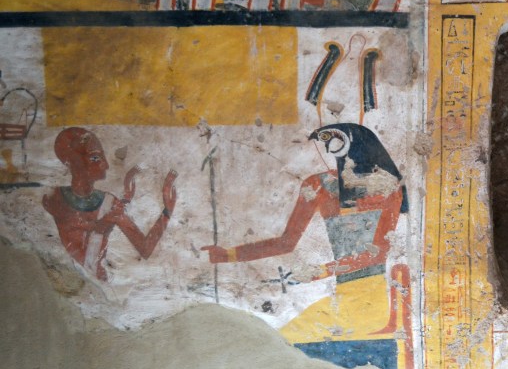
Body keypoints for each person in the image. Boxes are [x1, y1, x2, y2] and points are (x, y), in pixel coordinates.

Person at [203, 123, 406, 284]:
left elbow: (376, 254)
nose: (329, 150)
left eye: (336, 143)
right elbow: (286, 242)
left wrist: (319, 272)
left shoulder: (390, 188)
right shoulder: (318, 184)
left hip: (374, 290)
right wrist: (228, 255)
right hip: (342, 291)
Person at [42, 127, 177, 281]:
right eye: (95, 158)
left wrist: (167, 211)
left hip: (99, 283)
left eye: (102, 157)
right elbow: (76, 230)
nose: (105, 165)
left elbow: (145, 248)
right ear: (74, 162)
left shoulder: (109, 202)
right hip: (72, 281)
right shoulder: (55, 198)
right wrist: (103, 223)